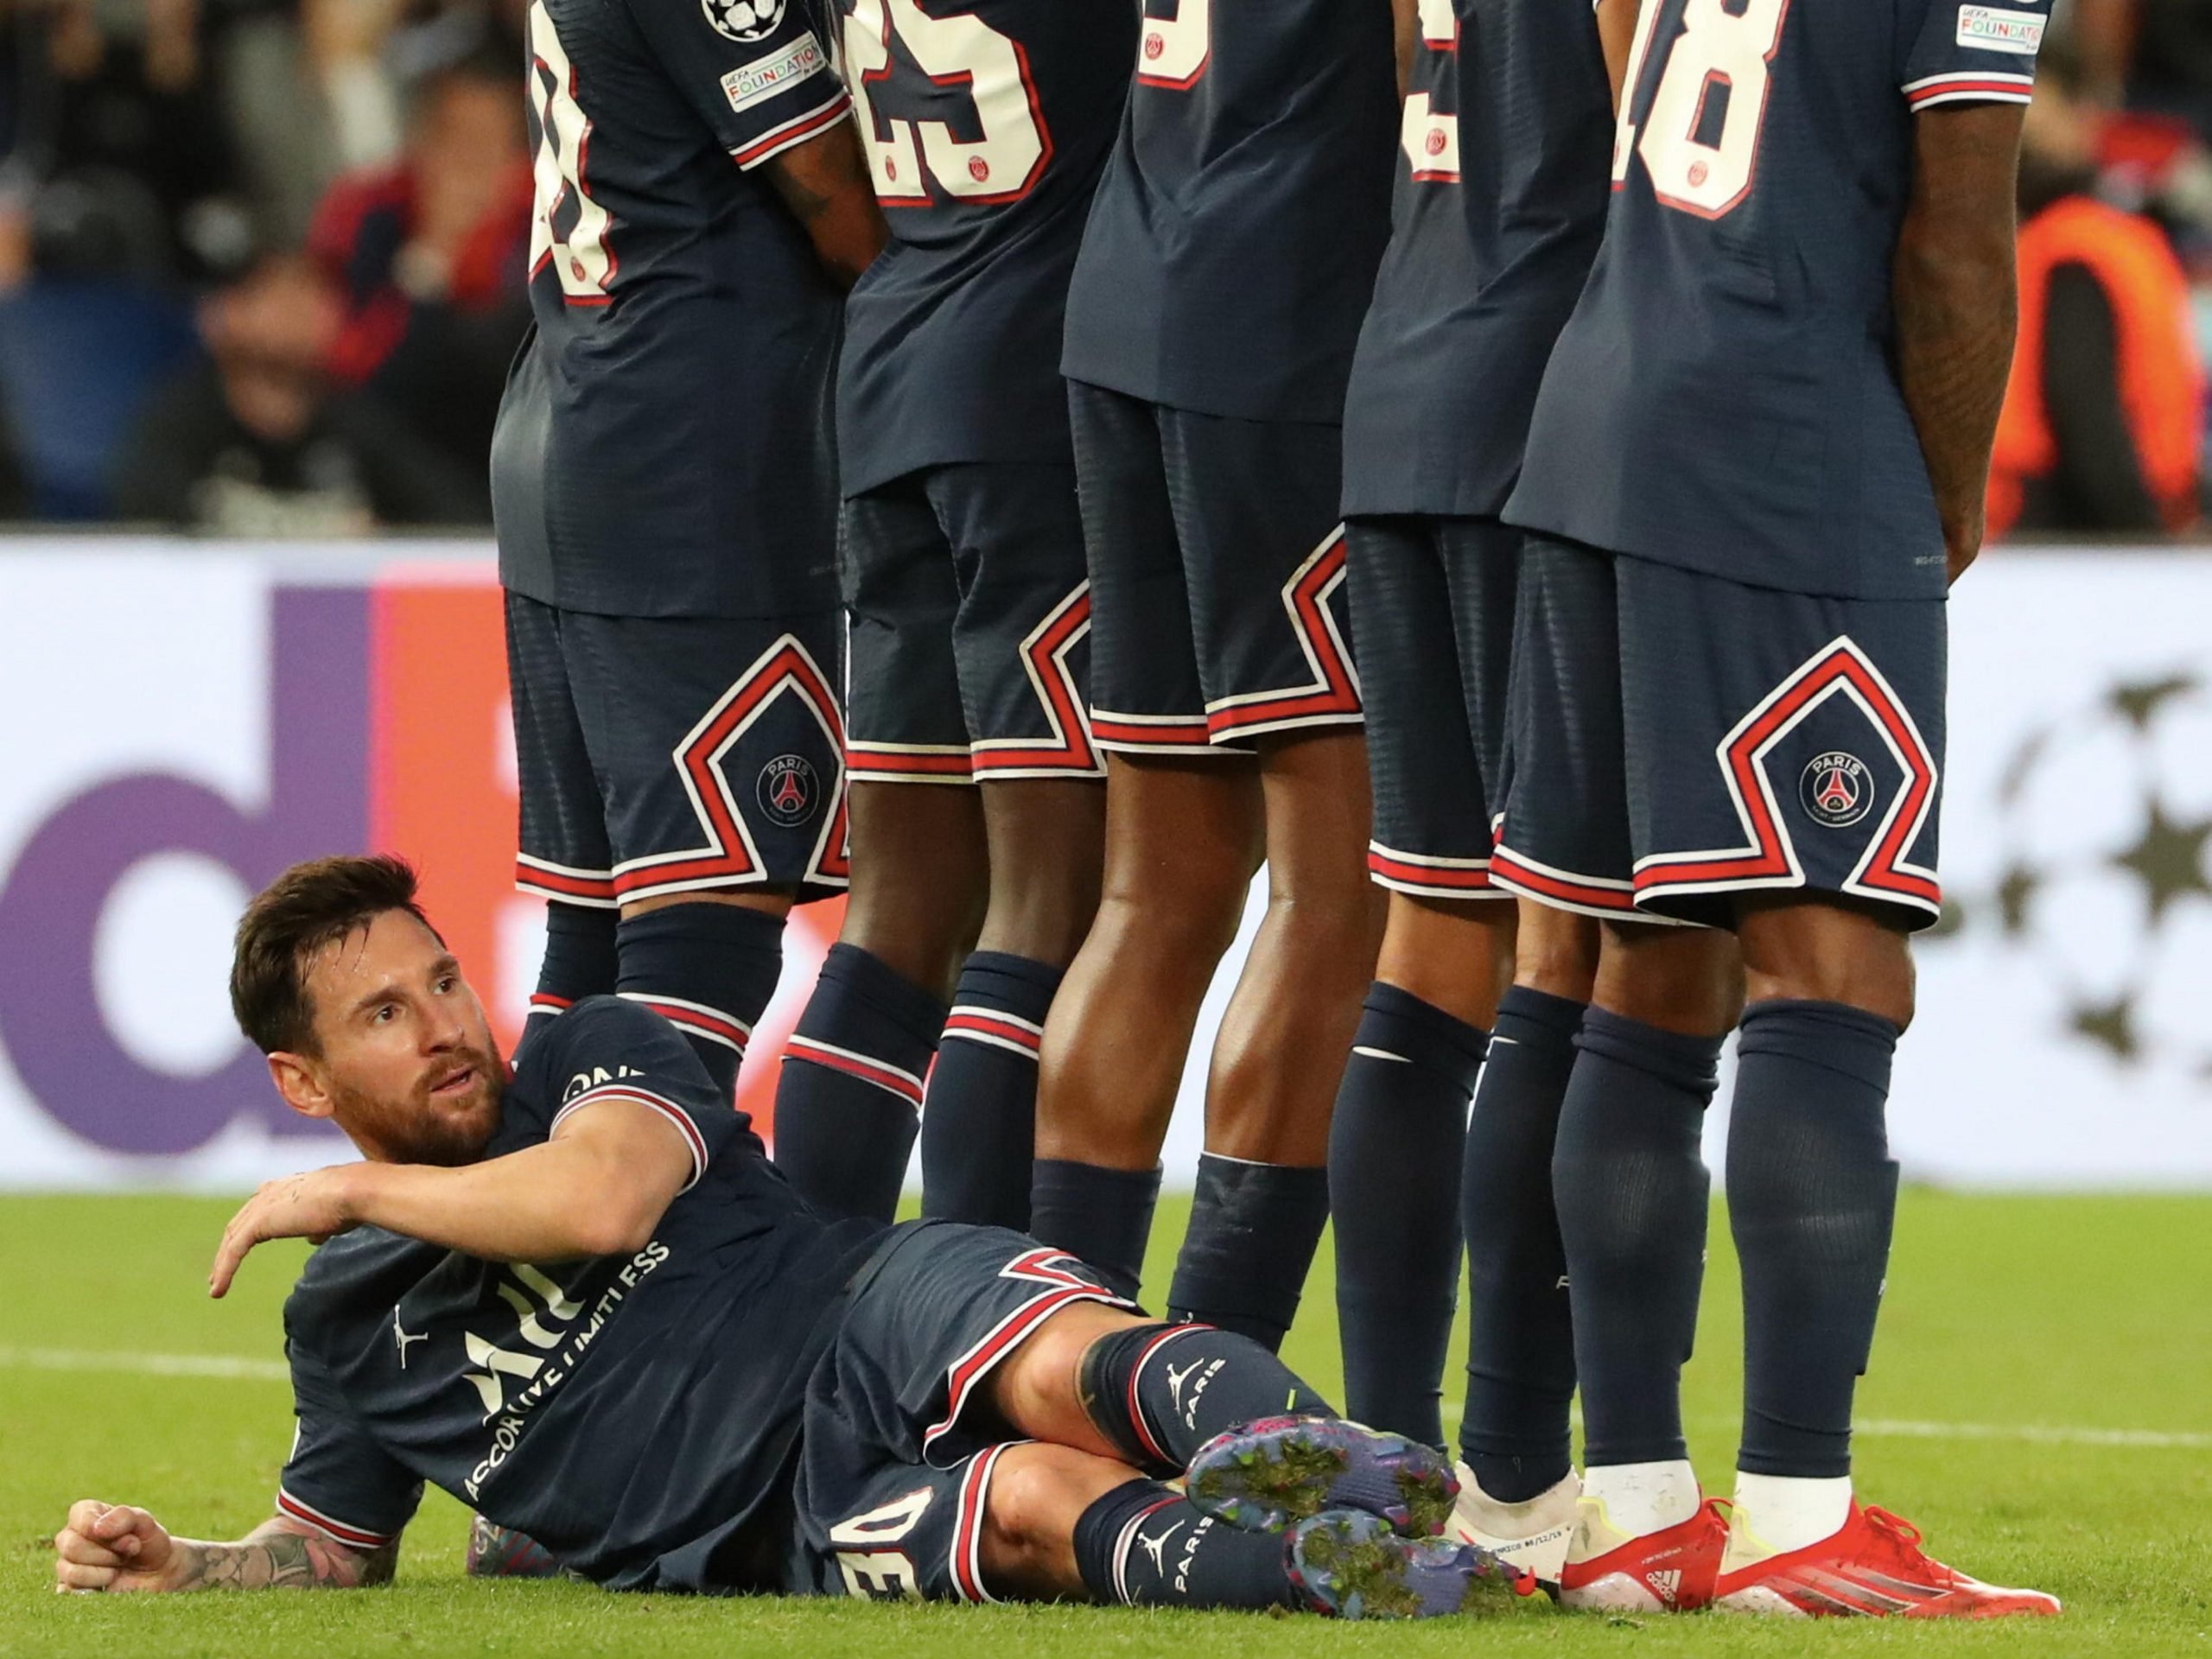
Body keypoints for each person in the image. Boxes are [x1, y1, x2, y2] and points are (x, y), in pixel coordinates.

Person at [49, 855, 1522, 1619]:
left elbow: (603, 1203)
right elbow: (330, 1547)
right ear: (304, 1084)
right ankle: (1340, 1574)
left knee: (1068, 1363)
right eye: (386, 1014)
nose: (446, 1024)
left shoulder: (589, 1053)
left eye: (441, 979)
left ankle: (1358, 1471)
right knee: (1028, 1509)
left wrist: (346, 1194)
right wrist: (181, 1564)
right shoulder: (350, 1330)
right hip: (772, 1524)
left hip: (863, 1300)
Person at [1488, 0, 2065, 1617]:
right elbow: (1957, 235)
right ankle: (1801, 1513)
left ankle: (1634, 1511)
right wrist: (1942, 493)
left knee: (1645, 974)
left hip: (1595, 424)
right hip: (1778, 447)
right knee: (1837, 967)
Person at [1327, 0, 1740, 1602]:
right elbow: (1668, 137)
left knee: (1433, 933)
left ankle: (1389, 1461)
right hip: (1548, 415)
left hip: (1405, 378)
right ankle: (1515, 1475)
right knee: (1579, 945)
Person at [1035, 0, 1399, 1351]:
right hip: (1294, 319)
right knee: (1338, 898)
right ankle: (1208, 1379)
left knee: (1157, 895)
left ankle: (1048, 1373)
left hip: (1130, 297)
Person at [765, 0, 1135, 1230]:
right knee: (1050, 911)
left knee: (900, 920)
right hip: (1032, 401)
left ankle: (803, 1315)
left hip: (889, 380)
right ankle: (987, 1323)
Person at [494, 0, 886, 1110]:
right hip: (689, 465)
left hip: (578, 414)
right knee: (701, 941)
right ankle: (654, 1274)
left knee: (597, 949)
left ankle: (486, 1276)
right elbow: (844, 210)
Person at [1988, 37, 2202, 538]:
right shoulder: (2091, 241)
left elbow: (2088, 417)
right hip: (2071, 532)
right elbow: (2086, 420)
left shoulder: (2075, 243)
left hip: (2076, 530)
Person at [112, 248, 486, 531]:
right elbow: (141, 517)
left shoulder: (358, 424)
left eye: (317, 294)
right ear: (222, 315)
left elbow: (456, 519)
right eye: (276, 294)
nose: (300, 312)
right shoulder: (180, 422)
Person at [309, 44, 537, 507]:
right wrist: (431, 258)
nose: (473, 162)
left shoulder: (549, 217)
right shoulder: (372, 213)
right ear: (421, 139)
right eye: (457, 138)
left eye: (492, 142)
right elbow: (352, 371)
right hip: (408, 443)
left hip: (521, 432)